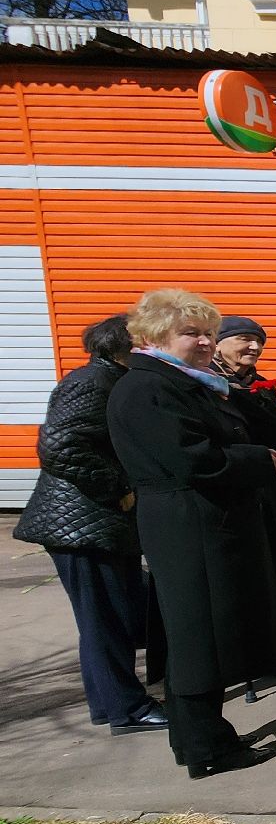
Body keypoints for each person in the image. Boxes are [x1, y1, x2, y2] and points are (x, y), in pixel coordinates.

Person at [105, 290, 276, 779]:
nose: (206, 342)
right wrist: (257, 460)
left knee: (198, 636)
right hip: (190, 524)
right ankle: (206, 747)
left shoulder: (180, 382)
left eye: (209, 332)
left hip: (200, 520)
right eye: (192, 333)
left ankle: (202, 738)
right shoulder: (148, 388)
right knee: (197, 639)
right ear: (154, 337)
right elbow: (190, 458)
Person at [14, 314, 168, 735]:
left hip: (97, 522)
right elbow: (60, 446)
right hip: (83, 523)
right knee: (104, 619)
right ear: (126, 347)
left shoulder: (112, 380)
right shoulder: (89, 383)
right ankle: (127, 710)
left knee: (111, 616)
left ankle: (112, 704)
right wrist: (120, 487)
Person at [210, 316, 276, 674]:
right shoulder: (212, 386)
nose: (254, 347)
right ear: (218, 343)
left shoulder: (261, 385)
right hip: (242, 493)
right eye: (244, 339)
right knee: (245, 580)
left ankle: (275, 651)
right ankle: (243, 656)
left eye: (258, 341)